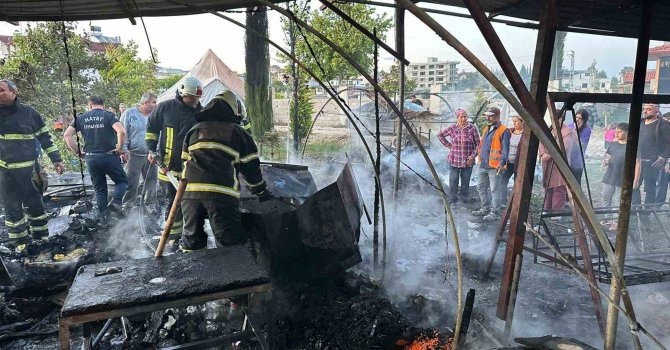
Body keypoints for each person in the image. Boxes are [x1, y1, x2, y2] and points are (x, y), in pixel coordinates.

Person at [179, 90, 272, 251]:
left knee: (191, 243)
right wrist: (261, 192)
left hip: (189, 195)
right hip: (221, 195)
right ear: (234, 110)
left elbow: (184, 162)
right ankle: (231, 275)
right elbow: (251, 168)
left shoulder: (194, 130)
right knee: (229, 245)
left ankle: (193, 275)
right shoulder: (237, 132)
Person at [0, 80, 64, 248]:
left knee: (35, 207)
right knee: (12, 210)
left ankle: (42, 241)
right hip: (5, 173)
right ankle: (21, 245)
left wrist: (56, 159)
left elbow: (45, 137)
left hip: (29, 171)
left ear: (14, 93)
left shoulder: (29, 113)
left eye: (1, 90)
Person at [146, 76, 203, 248]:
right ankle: (173, 236)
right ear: (182, 93)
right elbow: (152, 130)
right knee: (172, 203)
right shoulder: (165, 108)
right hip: (167, 168)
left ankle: (191, 236)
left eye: (197, 98)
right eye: (191, 98)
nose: (194, 101)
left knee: (192, 204)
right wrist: (151, 149)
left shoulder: (201, 113)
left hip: (191, 168)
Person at [64, 96, 128, 221]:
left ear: (90, 105)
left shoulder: (81, 117)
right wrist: (119, 148)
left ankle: (104, 218)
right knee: (122, 182)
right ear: (103, 105)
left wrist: (78, 152)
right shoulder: (109, 116)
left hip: (91, 158)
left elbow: (67, 135)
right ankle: (115, 203)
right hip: (109, 156)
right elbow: (121, 131)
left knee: (100, 189)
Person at [120, 92, 158, 213]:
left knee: (151, 180)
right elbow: (123, 133)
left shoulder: (155, 115)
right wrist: (123, 150)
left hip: (151, 154)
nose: (155, 105)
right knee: (131, 181)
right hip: (133, 154)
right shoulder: (130, 114)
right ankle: (127, 204)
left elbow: (160, 133)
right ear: (145, 103)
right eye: (153, 102)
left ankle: (150, 203)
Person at [472, 107, 510, 221]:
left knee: (494, 190)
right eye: (487, 115)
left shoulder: (504, 130)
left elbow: (505, 149)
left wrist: (502, 163)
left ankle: (495, 213)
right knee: (480, 187)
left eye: (490, 116)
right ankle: (485, 208)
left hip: (495, 166)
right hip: (483, 164)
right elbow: (482, 145)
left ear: (497, 116)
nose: (487, 117)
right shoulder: (486, 129)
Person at [600, 123, 641, 228]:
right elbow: (608, 157)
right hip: (610, 175)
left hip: (623, 177)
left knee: (618, 199)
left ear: (627, 132)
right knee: (606, 197)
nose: (617, 134)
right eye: (616, 131)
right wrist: (605, 162)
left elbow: (638, 163)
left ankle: (616, 221)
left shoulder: (632, 146)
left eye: (620, 131)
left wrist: (636, 180)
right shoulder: (613, 144)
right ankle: (607, 218)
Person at [437, 108, 479, 204]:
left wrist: (472, 157)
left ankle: (463, 200)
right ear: (457, 118)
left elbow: (478, 145)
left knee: (465, 182)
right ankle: (453, 200)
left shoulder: (472, 128)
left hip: (468, 161)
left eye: (465, 116)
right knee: (453, 181)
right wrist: (448, 145)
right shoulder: (452, 128)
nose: (464, 119)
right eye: (461, 117)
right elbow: (440, 135)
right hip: (454, 159)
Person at [632, 103, 670, 207]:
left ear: (656, 110)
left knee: (650, 188)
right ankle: (636, 208)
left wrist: (663, 156)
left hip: (652, 162)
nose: (645, 111)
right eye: (644, 109)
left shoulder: (663, 124)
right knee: (634, 186)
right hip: (637, 161)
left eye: (648, 109)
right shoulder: (640, 122)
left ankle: (646, 213)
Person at [539, 122, 576, 212]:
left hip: (559, 163)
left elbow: (564, 146)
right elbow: (542, 141)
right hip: (547, 162)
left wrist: (550, 154)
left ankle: (557, 210)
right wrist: (543, 153)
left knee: (558, 187)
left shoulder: (568, 131)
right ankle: (547, 208)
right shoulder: (549, 129)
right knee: (548, 186)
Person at [501, 115, 524, 205]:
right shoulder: (510, 132)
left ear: (522, 122)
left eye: (516, 121)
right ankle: (503, 201)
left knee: (517, 183)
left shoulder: (525, 134)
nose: (514, 123)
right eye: (513, 121)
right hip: (508, 162)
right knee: (503, 181)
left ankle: (516, 202)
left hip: (519, 163)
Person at [570, 109, 592, 185]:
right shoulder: (570, 125)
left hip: (578, 160)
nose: (577, 120)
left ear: (584, 120)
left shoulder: (587, 130)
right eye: (576, 117)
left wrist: (575, 131)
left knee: (575, 183)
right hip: (568, 157)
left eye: (580, 119)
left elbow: (581, 145)